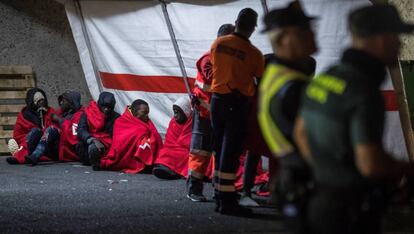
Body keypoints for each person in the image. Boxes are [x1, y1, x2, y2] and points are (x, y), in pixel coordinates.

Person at [294, 5, 414, 234]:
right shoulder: (363, 89)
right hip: (351, 212)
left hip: (319, 200)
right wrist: (407, 169)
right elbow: (371, 165)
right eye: (395, 36)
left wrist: (329, 172)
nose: (399, 44)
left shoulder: (328, 76)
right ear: (380, 38)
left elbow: (301, 133)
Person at [258, 2, 317, 232]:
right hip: (309, 184)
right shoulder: (292, 86)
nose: (313, 35)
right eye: (305, 30)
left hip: (292, 180)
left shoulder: (275, 74)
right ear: (285, 38)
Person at [210, 8, 264, 215]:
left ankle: (218, 194)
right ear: (253, 28)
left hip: (217, 100)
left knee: (218, 147)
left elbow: (217, 67)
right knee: (230, 152)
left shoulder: (219, 43)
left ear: (236, 22)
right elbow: (259, 78)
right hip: (237, 103)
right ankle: (227, 201)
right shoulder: (254, 54)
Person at [187, 23, 235, 202]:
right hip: (205, 114)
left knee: (220, 153)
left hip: (220, 114)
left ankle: (219, 189)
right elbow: (212, 79)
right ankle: (194, 189)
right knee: (200, 152)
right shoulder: (208, 59)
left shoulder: (227, 60)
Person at [100, 99, 163, 174]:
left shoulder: (147, 122)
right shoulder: (120, 121)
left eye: (148, 113)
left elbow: (156, 136)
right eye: (144, 113)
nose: (147, 116)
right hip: (126, 156)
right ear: (135, 112)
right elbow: (120, 144)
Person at [25, 90, 84, 165]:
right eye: (61, 100)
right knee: (35, 131)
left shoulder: (80, 115)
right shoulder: (60, 113)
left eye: (64, 101)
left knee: (52, 129)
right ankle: (32, 155)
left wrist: (59, 120)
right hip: (55, 147)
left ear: (71, 103)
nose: (61, 103)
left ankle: (36, 155)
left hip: (67, 150)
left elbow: (74, 135)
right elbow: (46, 130)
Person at [6, 88, 56, 164]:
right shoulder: (25, 114)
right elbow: (18, 135)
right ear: (32, 102)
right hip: (30, 142)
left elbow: (55, 128)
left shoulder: (50, 111)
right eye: (38, 101)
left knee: (47, 132)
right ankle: (20, 156)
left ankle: (28, 156)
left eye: (43, 100)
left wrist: (45, 117)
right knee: (35, 131)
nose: (41, 103)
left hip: (47, 143)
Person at [77, 91, 120, 170]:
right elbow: (81, 130)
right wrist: (92, 139)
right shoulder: (88, 113)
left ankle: (99, 160)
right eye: (104, 106)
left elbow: (116, 136)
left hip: (107, 147)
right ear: (99, 104)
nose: (106, 109)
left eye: (109, 107)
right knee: (86, 146)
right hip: (89, 143)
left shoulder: (116, 117)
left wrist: (104, 142)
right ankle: (94, 157)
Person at [153, 96, 193, 180]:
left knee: (188, 156)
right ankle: (167, 169)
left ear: (186, 112)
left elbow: (190, 142)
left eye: (178, 113)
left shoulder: (193, 122)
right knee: (165, 152)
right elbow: (169, 141)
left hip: (186, 150)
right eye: (174, 112)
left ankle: (173, 171)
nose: (175, 116)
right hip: (173, 149)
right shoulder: (173, 122)